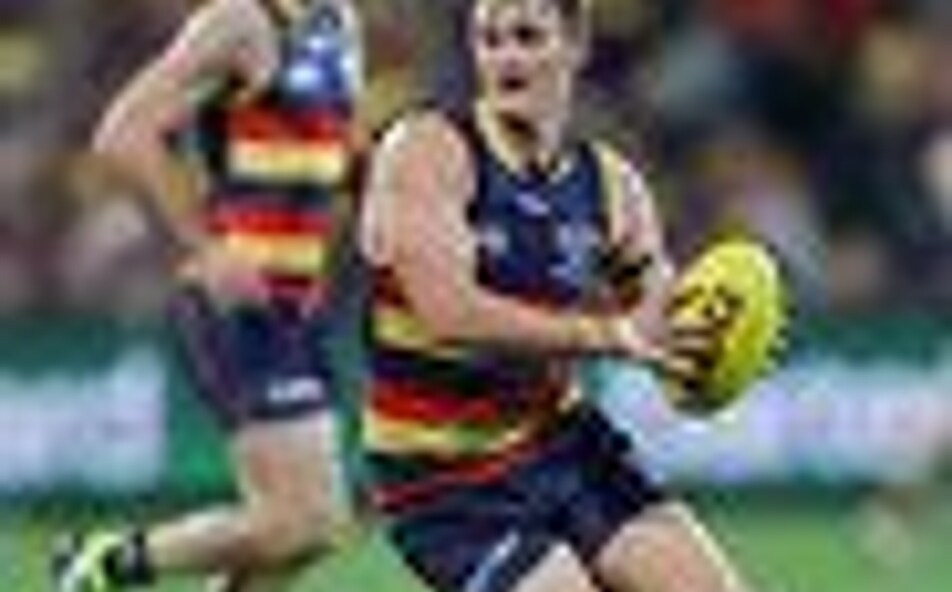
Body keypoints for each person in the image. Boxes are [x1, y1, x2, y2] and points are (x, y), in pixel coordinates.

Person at [358, 1, 751, 592]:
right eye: (489, 39)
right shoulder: (428, 151)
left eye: (527, 37)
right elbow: (448, 312)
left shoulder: (612, 185)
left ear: (575, 45)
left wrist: (695, 349)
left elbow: (656, 311)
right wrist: (608, 335)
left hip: (563, 446)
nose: (506, 57)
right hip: (444, 480)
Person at [53, 0, 363, 590]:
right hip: (238, 308)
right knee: (304, 522)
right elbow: (124, 132)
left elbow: (331, 151)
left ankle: (109, 562)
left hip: (296, 306)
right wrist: (206, 246)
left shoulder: (337, 22)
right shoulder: (241, 23)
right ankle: (103, 561)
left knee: (300, 537)